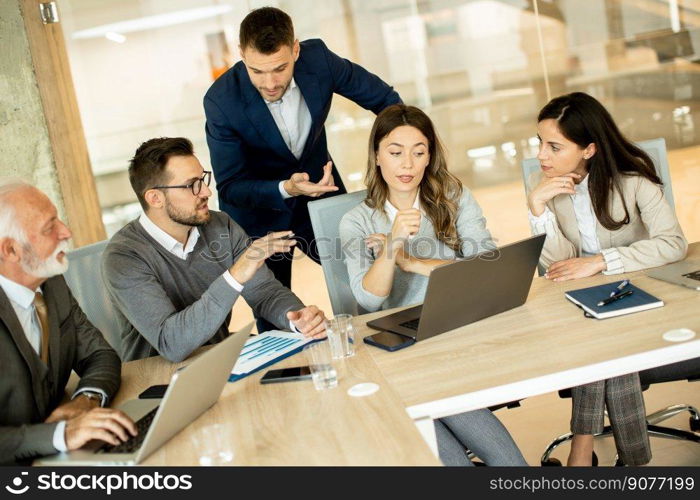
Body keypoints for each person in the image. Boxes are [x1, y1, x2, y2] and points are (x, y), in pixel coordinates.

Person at [339, 105, 526, 466]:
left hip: (456, 332)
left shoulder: (453, 198)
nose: (407, 164)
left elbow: (488, 269)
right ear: (377, 155)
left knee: (505, 463)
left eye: (419, 152)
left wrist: (415, 263)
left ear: (429, 156)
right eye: (395, 152)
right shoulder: (357, 221)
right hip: (400, 347)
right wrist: (393, 246)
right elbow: (369, 301)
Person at [204, 6, 402, 331]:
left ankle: (381, 346)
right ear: (241, 55)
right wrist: (287, 188)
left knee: (362, 281)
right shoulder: (220, 101)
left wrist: (395, 154)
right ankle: (288, 376)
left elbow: (386, 100)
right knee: (276, 316)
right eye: (257, 71)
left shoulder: (318, 60)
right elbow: (230, 186)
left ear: (295, 49)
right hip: (260, 217)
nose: (270, 82)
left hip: (322, 197)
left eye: (280, 68)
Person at [526, 92, 688, 466]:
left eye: (554, 146)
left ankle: (581, 445)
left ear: (589, 149)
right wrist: (538, 211)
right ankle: (634, 463)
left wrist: (602, 261)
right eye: (540, 143)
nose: (541, 155)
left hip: (639, 297)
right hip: (582, 303)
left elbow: (673, 244)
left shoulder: (633, 180)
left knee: (605, 345)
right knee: (603, 342)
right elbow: (557, 266)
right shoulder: (544, 185)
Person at [102, 137, 328, 363]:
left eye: (203, 179)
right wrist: (235, 275)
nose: (206, 192)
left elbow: (265, 293)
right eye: (192, 185)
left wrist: (298, 318)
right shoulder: (123, 257)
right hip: (156, 379)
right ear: (155, 198)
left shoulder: (221, 225)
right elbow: (172, 343)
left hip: (219, 362)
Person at [0, 180, 137, 465]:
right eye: (50, 227)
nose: (67, 232)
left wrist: (86, 400)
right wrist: (60, 435)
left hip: (65, 458)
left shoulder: (52, 283)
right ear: (10, 250)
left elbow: (99, 354)